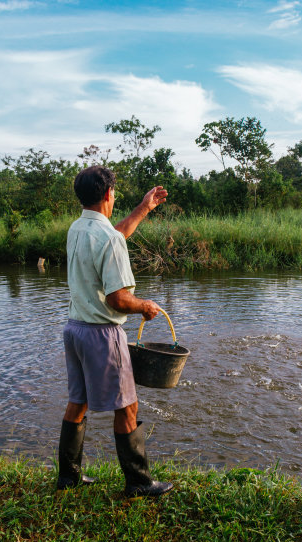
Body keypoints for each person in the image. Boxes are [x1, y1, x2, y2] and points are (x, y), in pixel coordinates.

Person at [57, 166, 173, 497]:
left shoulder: (77, 228)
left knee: (77, 400)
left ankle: (69, 476)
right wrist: (145, 306)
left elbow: (115, 235)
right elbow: (118, 299)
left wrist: (145, 207)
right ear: (109, 194)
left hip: (75, 330)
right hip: (102, 335)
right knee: (127, 406)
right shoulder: (106, 238)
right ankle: (138, 482)